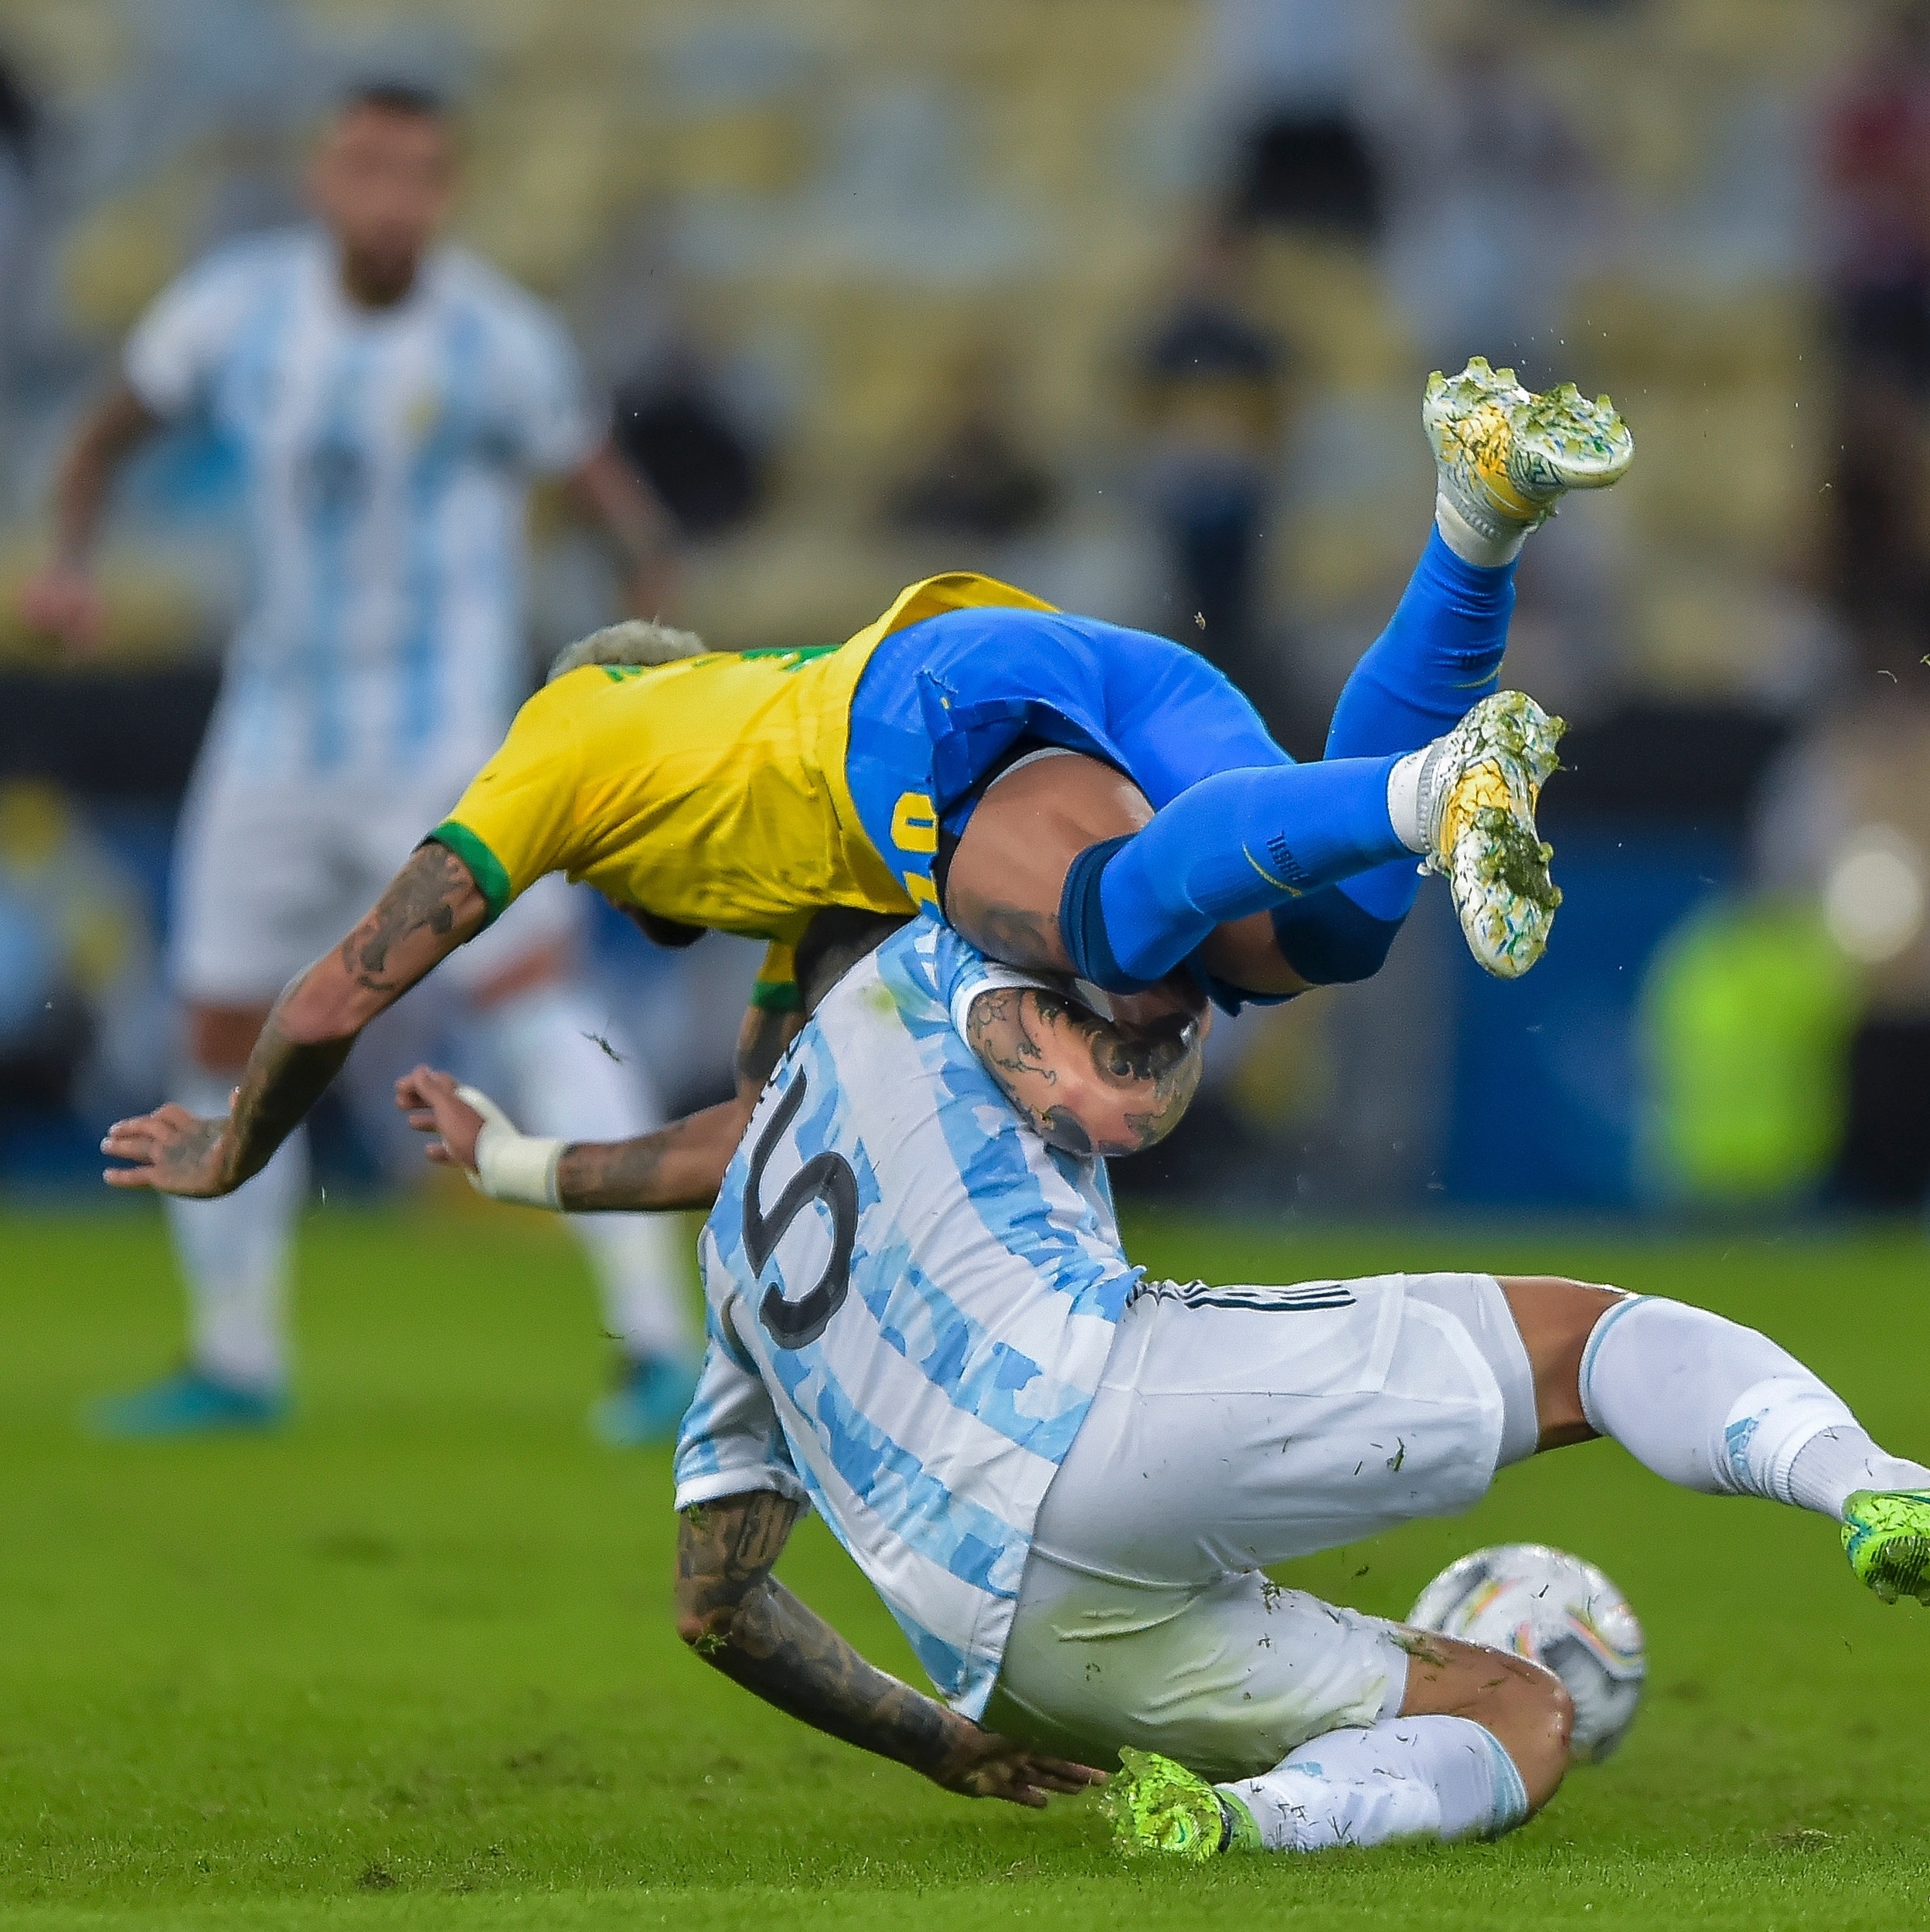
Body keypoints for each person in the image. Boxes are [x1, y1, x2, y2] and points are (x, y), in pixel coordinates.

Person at [400, 916, 1930, 1857]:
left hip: (1012, 1647)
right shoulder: (930, 971)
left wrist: (946, 1738)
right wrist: (1193, 990)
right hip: (1106, 1408)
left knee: (1516, 1708)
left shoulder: (738, 1255)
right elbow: (1116, 1099)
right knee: (1590, 1343)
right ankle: (1866, 1477)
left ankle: (1245, 1824)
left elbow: (711, 1603)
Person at [97, 358, 1632, 1224]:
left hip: (924, 707)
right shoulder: (782, 863)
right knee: (1326, 932)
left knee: (1108, 917)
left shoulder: (560, 737)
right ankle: (1476, 516)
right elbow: (751, 1131)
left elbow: (327, 998)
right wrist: (505, 1157)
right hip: (1076, 664)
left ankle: (1437, 785)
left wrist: (238, 1143)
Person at [22, 82, 700, 1440]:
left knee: (528, 993)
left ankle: (654, 1344)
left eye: (418, 175)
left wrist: (656, 667)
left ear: (444, 195)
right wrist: (69, 561)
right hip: (272, 738)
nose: (390, 197)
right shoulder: (237, 313)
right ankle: (234, 1360)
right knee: (218, 1026)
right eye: (366, 168)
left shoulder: (495, 341)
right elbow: (104, 432)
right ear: (327, 180)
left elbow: (616, 510)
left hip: (440, 743)